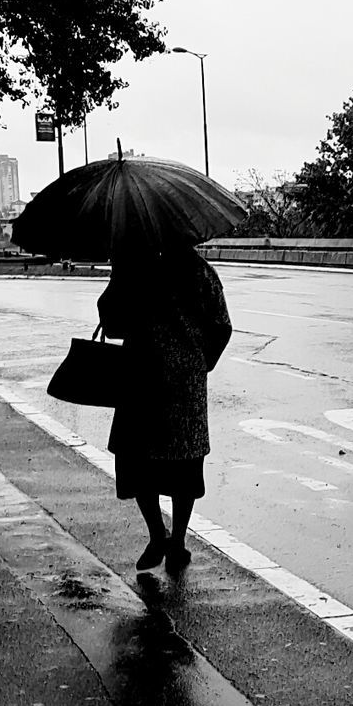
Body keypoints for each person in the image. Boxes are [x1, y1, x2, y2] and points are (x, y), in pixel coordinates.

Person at [97, 241, 232, 577]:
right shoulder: (203, 273)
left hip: (141, 375)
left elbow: (112, 323)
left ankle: (158, 534)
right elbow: (222, 326)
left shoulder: (136, 270)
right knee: (184, 465)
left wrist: (118, 275)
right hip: (186, 383)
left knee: (137, 458)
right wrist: (200, 362)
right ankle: (178, 542)